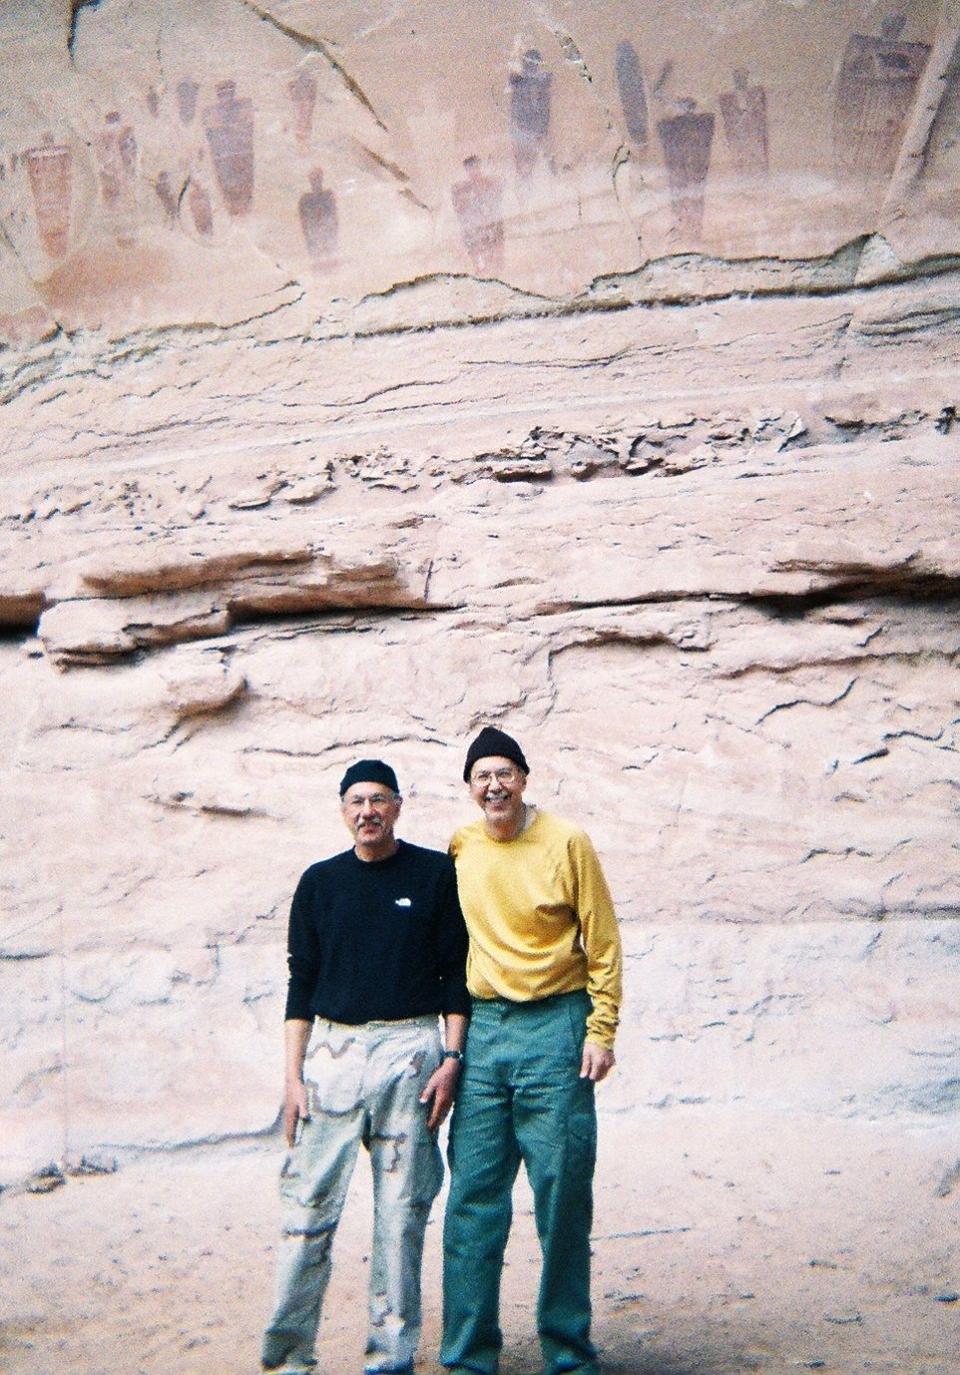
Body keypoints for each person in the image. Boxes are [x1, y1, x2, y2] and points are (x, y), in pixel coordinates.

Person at [262, 759, 470, 1375]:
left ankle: (390, 1358)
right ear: (343, 809)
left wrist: (452, 1057)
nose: (367, 812)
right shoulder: (320, 882)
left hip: (410, 1052)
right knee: (306, 1210)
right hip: (331, 1056)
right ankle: (289, 1358)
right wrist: (293, 1078)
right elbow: (301, 983)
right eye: (356, 801)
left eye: (378, 800)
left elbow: (456, 975)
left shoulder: (435, 874)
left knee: (401, 1216)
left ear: (399, 806)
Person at [441, 727, 623, 1375]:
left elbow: (602, 941)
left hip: (556, 1029)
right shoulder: (461, 846)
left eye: (505, 772)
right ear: (470, 787)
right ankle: (467, 1357)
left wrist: (601, 1030)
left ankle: (569, 1353)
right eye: (482, 775)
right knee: (472, 1197)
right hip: (485, 1033)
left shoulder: (567, 841)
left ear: (523, 778)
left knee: (562, 1190)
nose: (494, 785)